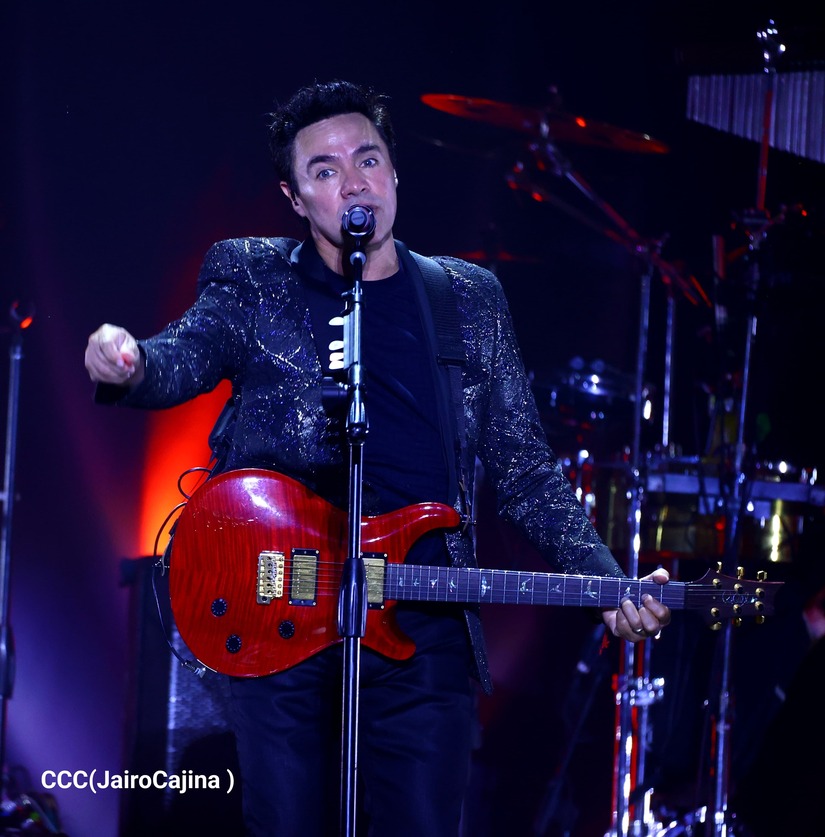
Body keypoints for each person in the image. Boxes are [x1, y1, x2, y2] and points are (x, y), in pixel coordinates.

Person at [84, 79, 672, 837]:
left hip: (422, 627)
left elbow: (523, 466)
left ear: (394, 170)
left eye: (367, 159)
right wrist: (129, 364)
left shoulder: (467, 297)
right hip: (282, 608)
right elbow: (181, 357)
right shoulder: (253, 276)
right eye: (325, 169)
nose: (353, 181)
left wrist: (605, 580)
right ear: (296, 197)